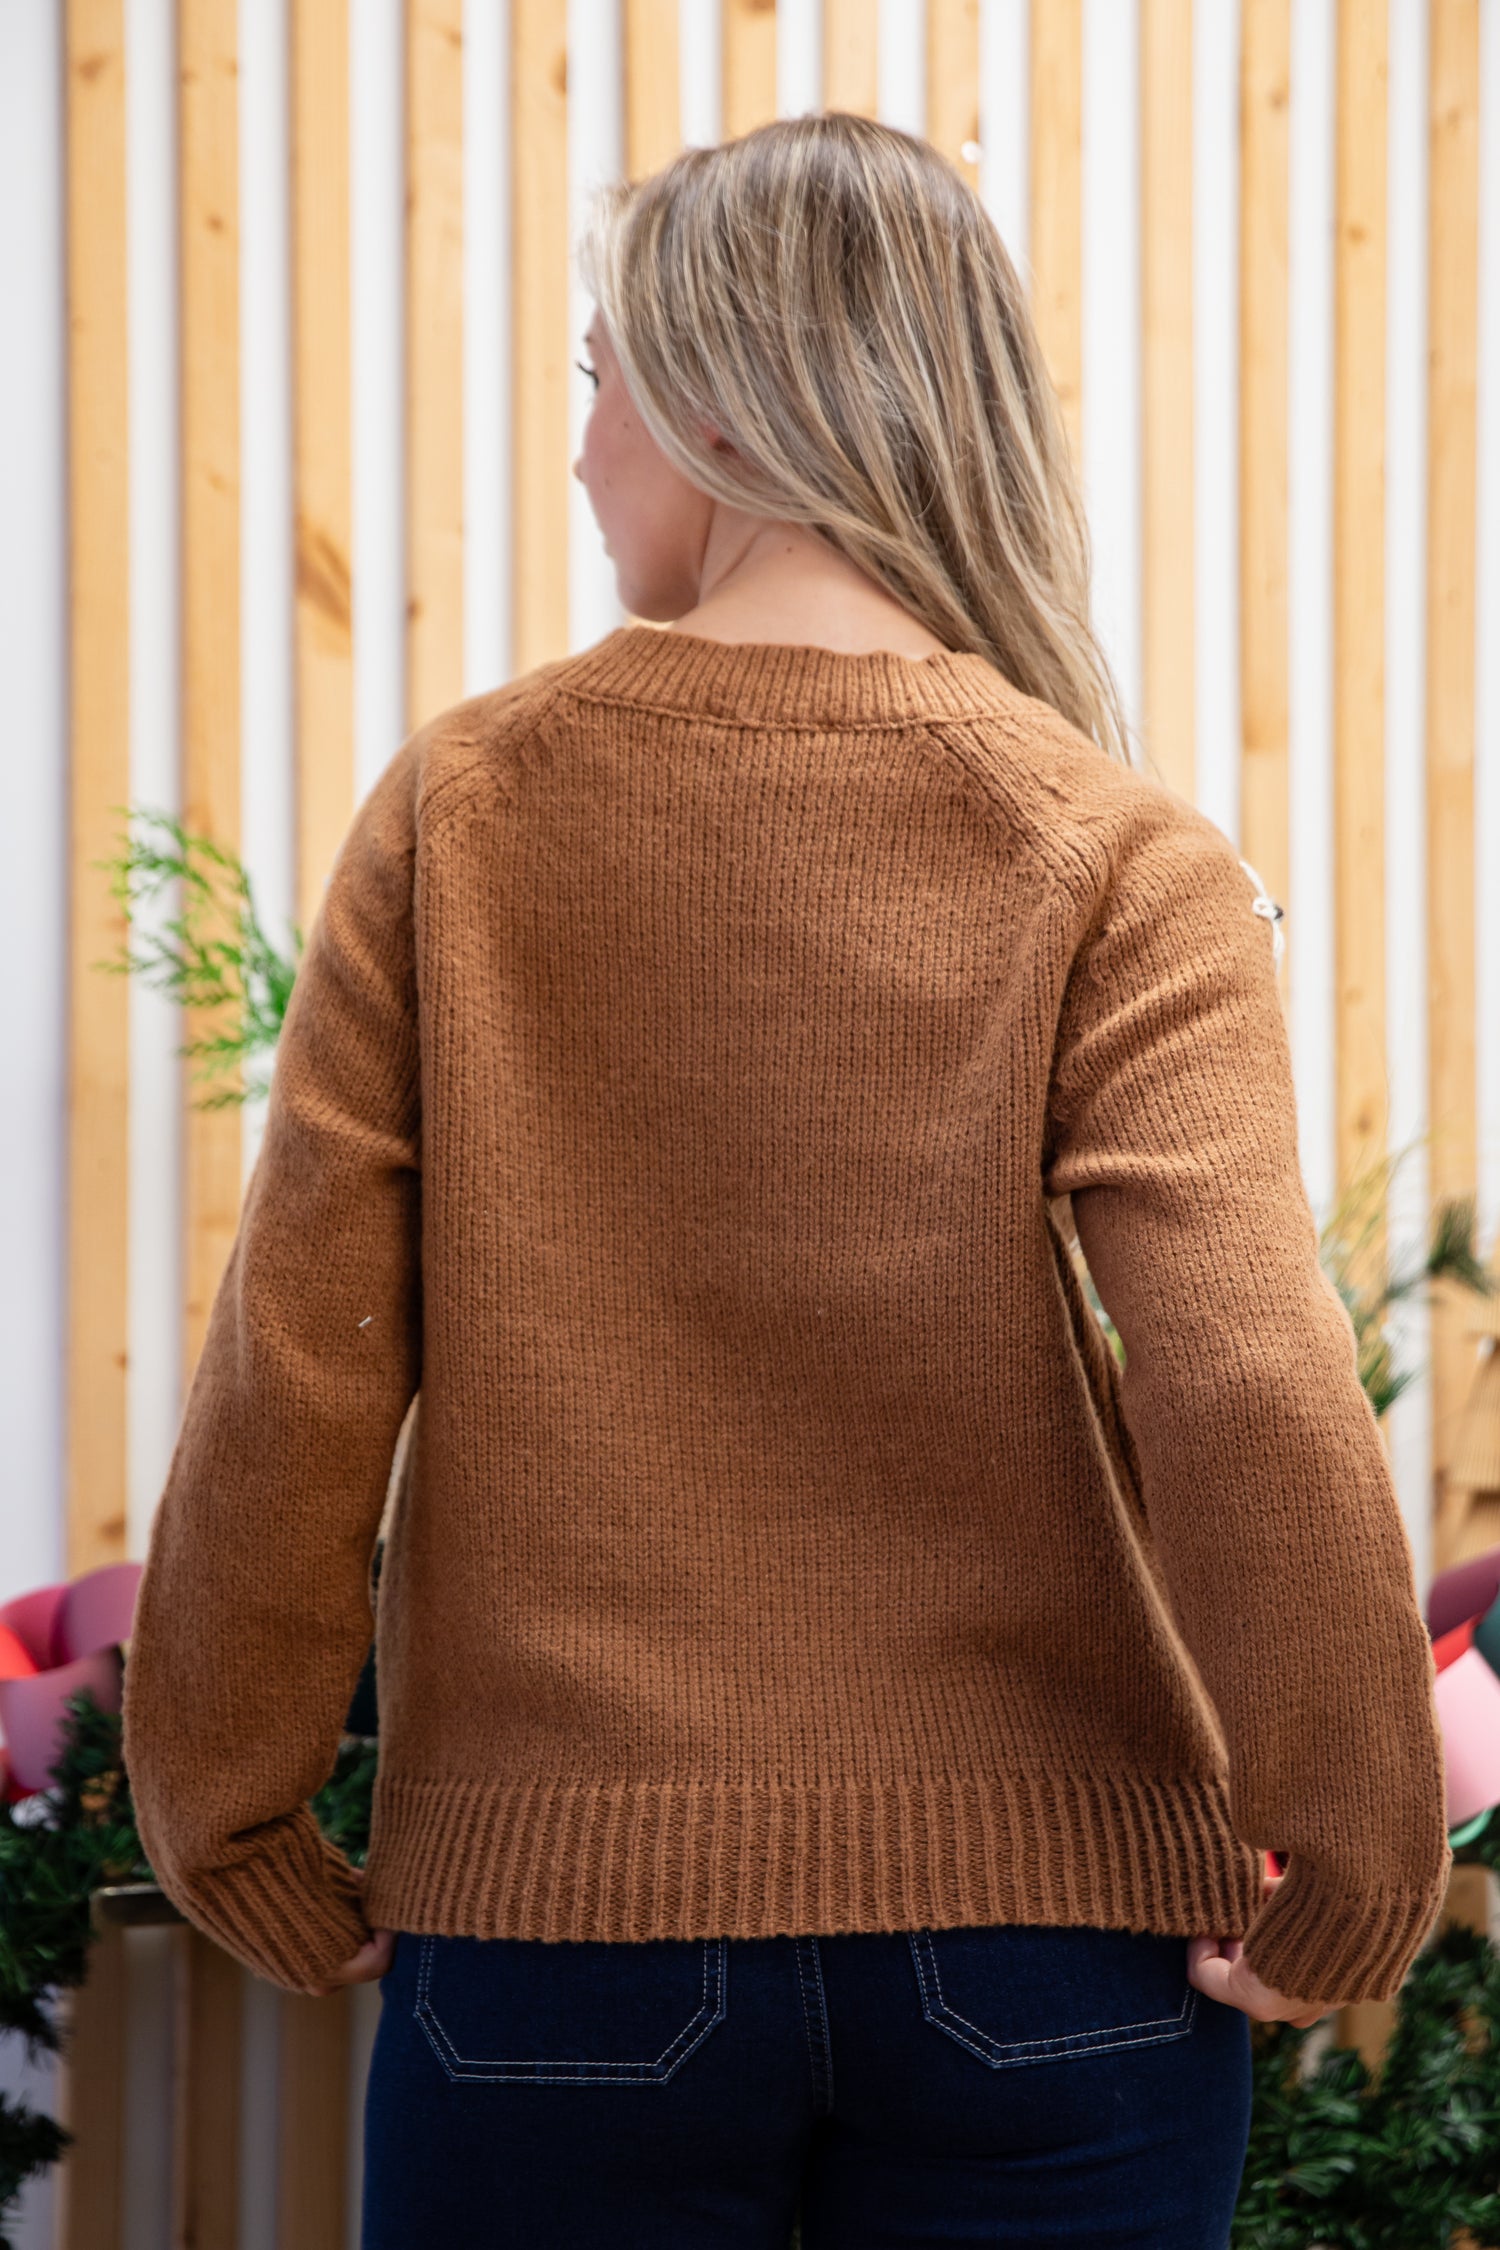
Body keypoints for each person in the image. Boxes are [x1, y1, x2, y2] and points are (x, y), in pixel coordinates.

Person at [121, 113, 1451, 2248]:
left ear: (732, 396)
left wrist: (222, 1797)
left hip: (565, 1948)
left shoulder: (465, 814)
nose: (581, 450)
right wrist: (1357, 1837)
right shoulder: (1114, 848)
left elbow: (302, 1357)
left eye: (600, 377)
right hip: (1059, 1958)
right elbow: (1245, 1374)